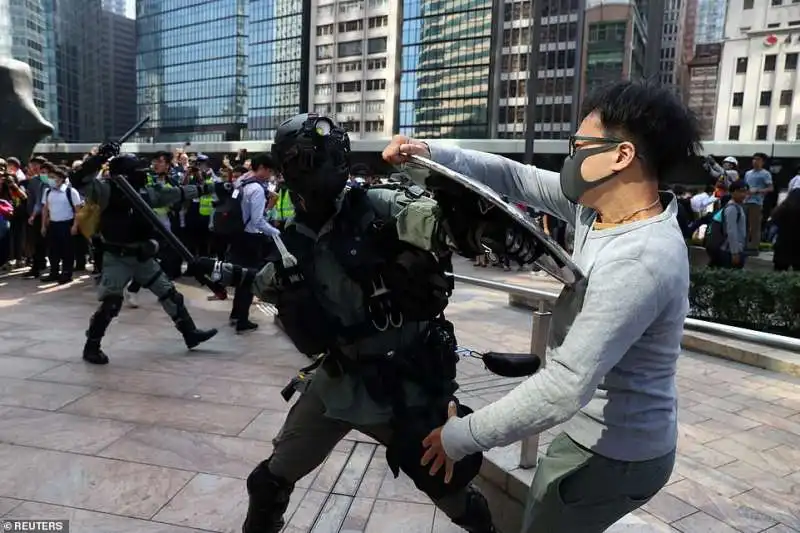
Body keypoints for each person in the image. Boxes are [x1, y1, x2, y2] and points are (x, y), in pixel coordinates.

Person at [383, 80, 696, 532]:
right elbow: (514, 177)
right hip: (597, 437)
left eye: (578, 144)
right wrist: (428, 153)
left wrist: (460, 438)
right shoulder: (598, 211)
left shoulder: (641, 258)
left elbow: (565, 385)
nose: (571, 158)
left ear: (620, 156)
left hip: (616, 454)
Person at [190, 113, 501, 533]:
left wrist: (463, 218)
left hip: (403, 383)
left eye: (321, 158)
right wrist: (220, 270)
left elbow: (432, 223)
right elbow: (269, 281)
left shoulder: (378, 206)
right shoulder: (296, 237)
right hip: (337, 381)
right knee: (267, 483)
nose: (315, 170)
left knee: (453, 497)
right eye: (304, 161)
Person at [68, 146, 218, 365]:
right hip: (117, 256)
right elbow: (79, 180)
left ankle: (190, 333)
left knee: (170, 294)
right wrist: (100, 157)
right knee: (111, 303)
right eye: (137, 169)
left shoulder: (146, 192)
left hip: (143, 255)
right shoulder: (106, 190)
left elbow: (178, 193)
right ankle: (92, 346)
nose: (144, 172)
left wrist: (214, 187)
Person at [227, 154, 279, 333]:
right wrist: (276, 232)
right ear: (263, 168)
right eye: (270, 171)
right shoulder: (256, 189)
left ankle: (235, 314)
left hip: (238, 235)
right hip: (251, 239)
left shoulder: (242, 181)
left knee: (240, 276)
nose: (270, 175)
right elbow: (258, 221)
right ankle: (242, 320)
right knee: (249, 279)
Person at [40, 166, 82, 283]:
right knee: (53, 251)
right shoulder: (48, 191)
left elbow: (78, 210)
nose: (50, 180)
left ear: (61, 179)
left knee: (67, 250)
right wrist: (43, 225)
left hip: (66, 224)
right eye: (50, 177)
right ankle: (54, 272)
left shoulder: (71, 191)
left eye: (53, 177)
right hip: (53, 224)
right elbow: (45, 209)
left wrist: (75, 225)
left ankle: (66, 273)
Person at [708, 181, 748, 269]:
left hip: (733, 249)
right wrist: (735, 252)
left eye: (745, 191)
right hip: (729, 251)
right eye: (740, 191)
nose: (743, 194)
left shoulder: (738, 207)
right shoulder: (732, 209)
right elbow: (731, 231)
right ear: (732, 192)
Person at [743, 152, 773, 255]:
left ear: (763, 162)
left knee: (755, 226)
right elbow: (745, 186)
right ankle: (745, 245)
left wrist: (758, 191)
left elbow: (770, 188)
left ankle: (754, 247)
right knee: (744, 225)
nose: (755, 161)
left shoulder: (765, 174)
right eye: (754, 159)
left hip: (756, 202)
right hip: (745, 201)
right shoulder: (748, 173)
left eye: (758, 159)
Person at [770, 187, 800, 271]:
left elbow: (774, 222)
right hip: (798, 247)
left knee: (779, 274)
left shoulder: (782, 209)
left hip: (782, 245)